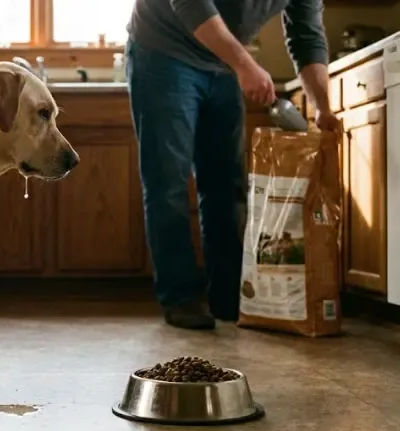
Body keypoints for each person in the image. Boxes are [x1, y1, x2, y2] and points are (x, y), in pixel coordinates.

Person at [125, 0, 341, 330]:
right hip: (164, 52)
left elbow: (306, 36)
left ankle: (229, 298)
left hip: (223, 61)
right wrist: (244, 64)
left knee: (227, 187)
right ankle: (180, 298)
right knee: (168, 183)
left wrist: (323, 108)